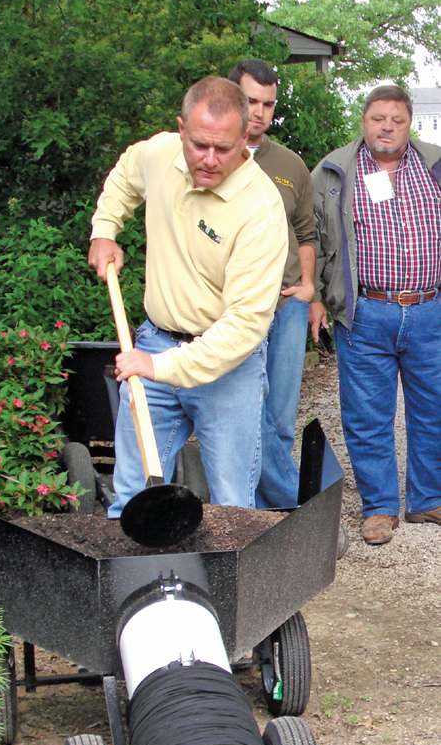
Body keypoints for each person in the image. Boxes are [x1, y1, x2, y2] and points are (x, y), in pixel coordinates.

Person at [88, 77, 288, 516]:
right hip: (155, 339)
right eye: (199, 145)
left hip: (227, 367)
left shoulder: (261, 211)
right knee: (132, 498)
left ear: (245, 141)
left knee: (232, 505)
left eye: (224, 148)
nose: (210, 160)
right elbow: (125, 175)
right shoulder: (161, 154)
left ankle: (225, 584)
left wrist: (157, 367)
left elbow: (243, 328)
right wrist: (105, 229)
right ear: (181, 129)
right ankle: (136, 584)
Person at [310, 85, 441, 545]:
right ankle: (380, 506)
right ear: (363, 121)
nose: (387, 127)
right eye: (378, 118)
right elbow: (314, 238)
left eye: (398, 120)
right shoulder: (332, 171)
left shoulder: (435, 166)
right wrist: (318, 298)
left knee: (434, 409)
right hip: (366, 310)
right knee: (367, 414)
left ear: (409, 124)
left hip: (430, 310)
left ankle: (427, 500)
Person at [229, 59, 316, 509]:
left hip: (286, 306)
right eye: (250, 102)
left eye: (267, 104)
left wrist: (307, 286)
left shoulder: (289, 164)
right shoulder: (215, 156)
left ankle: (268, 514)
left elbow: (305, 231)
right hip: (237, 308)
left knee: (280, 417)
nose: (259, 112)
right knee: (244, 413)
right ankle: (294, 502)